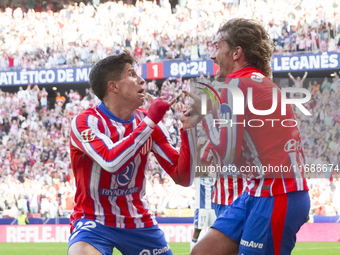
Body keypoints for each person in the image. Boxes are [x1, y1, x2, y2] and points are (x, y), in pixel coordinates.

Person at [188, 18, 310, 255]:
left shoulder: (236, 85)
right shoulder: (255, 82)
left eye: (217, 47)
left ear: (236, 52)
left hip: (277, 194)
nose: (213, 56)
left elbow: (227, 154)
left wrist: (203, 117)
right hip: (259, 189)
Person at [67, 50, 196, 255]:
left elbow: (183, 177)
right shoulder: (86, 122)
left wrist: (188, 130)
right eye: (132, 74)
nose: (142, 80)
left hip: (138, 221)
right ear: (114, 86)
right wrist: (150, 121)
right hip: (93, 220)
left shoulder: (148, 123)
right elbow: (110, 161)